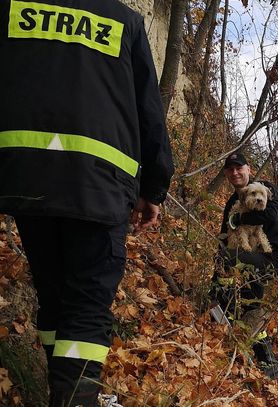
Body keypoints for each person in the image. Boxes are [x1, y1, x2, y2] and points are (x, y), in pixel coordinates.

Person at [0, 0, 174, 405]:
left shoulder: (15, 10)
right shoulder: (123, 21)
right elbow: (149, 109)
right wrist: (154, 186)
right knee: (86, 303)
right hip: (99, 185)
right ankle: (75, 398)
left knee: (53, 292)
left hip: (29, 179)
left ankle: (59, 389)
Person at [213, 152, 278, 379]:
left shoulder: (266, 189)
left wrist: (241, 220)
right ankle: (238, 345)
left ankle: (268, 363)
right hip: (245, 254)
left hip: (270, 257)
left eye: (239, 168)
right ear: (226, 174)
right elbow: (226, 235)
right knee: (232, 286)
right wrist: (215, 275)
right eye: (230, 169)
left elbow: (272, 215)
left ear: (248, 169)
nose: (235, 172)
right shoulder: (232, 202)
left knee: (249, 296)